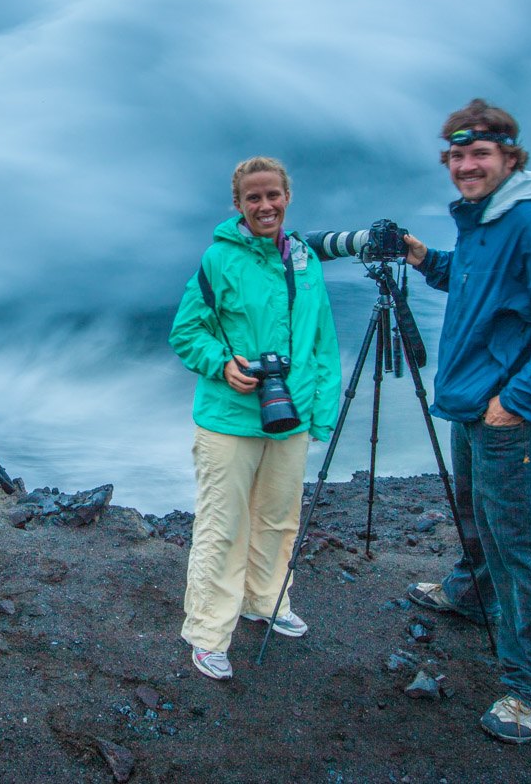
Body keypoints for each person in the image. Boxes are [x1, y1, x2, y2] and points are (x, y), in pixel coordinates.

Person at [402, 100, 531, 743]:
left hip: (508, 415)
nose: (465, 164)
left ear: (510, 158)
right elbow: (476, 283)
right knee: (476, 515)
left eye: (479, 154)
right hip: (473, 401)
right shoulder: (485, 223)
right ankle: (469, 594)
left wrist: (518, 401)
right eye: (457, 155)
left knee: (521, 546)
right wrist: (421, 256)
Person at [168, 157, 341, 680]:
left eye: (273, 195)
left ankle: (266, 602)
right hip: (229, 418)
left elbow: (324, 343)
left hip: (292, 415)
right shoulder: (218, 260)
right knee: (222, 526)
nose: (265, 205)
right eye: (253, 198)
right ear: (238, 205)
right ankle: (208, 633)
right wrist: (222, 364)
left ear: (288, 196)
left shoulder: (306, 261)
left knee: (279, 518)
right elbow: (186, 332)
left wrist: (321, 416)